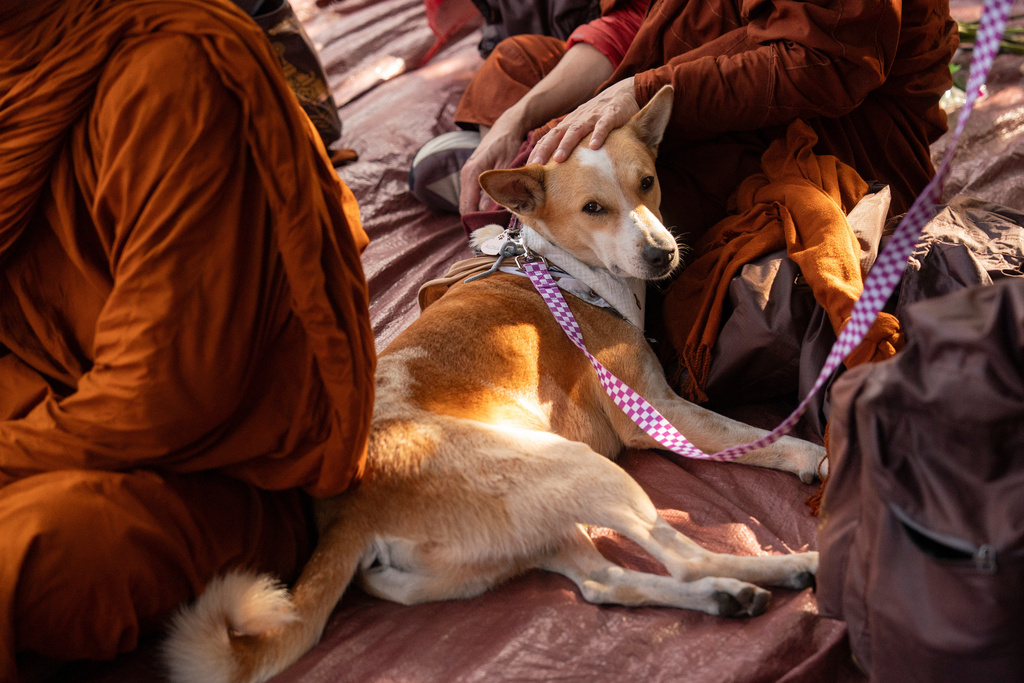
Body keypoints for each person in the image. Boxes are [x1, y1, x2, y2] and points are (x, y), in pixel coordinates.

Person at [0, 0, 375, 679]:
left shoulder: (170, 69)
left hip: (207, 470)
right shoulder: (17, 68)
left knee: (27, 550)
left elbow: (164, 398)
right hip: (41, 413)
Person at [449, 0, 958, 239]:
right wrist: (516, 118)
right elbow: (635, 23)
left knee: (638, 206)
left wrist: (640, 92)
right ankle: (510, 159)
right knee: (517, 65)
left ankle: (529, 208)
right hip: (675, 79)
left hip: (822, 122)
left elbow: (825, 65)